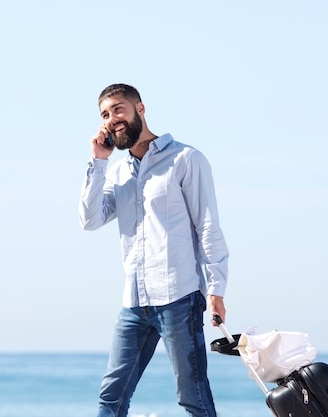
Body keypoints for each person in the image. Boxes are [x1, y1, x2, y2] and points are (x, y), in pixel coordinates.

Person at [79, 83, 229, 417]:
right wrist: (97, 162)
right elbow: (90, 220)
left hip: (180, 297)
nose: (112, 118)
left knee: (193, 399)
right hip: (134, 303)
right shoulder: (117, 171)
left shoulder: (185, 159)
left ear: (140, 109)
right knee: (111, 397)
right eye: (105, 114)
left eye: (118, 109)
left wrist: (217, 288)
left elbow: (208, 226)